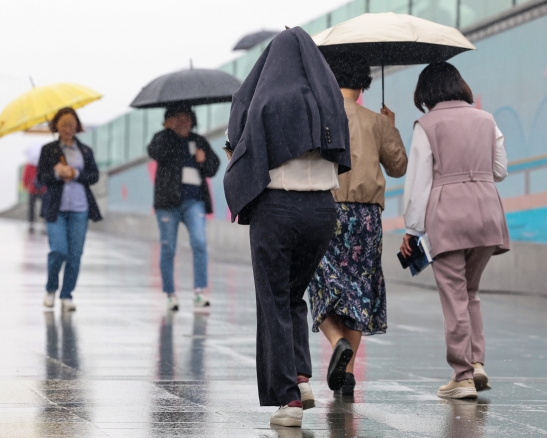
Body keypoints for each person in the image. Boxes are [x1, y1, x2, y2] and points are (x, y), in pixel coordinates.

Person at [224, 27, 351, 427]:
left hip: (277, 207)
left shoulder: (267, 98)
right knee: (294, 294)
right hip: (322, 210)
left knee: (274, 299)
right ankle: (300, 377)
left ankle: (288, 400)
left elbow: (242, 145)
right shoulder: (329, 98)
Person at [400, 62, 510, 399]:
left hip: (448, 218)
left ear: (426, 93)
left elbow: (418, 181)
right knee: (471, 292)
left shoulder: (427, 125)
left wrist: (412, 228)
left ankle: (462, 376)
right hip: (488, 214)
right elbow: (500, 170)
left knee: (454, 296)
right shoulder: (486, 119)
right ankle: (477, 363)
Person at [307, 56, 408, 396]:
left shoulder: (321, 119)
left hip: (326, 210)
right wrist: (389, 126)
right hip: (366, 218)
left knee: (319, 283)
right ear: (364, 84)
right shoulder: (375, 123)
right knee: (359, 290)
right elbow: (398, 167)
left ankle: (337, 342)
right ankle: (347, 372)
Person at [147, 104, 220, 311]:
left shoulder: (198, 141)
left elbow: (213, 167)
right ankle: (170, 294)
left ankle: (199, 291)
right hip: (167, 202)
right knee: (168, 246)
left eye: (186, 117)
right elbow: (154, 152)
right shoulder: (162, 139)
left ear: (192, 119)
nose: (182, 121)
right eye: (177, 117)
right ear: (169, 120)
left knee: (199, 242)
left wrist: (204, 160)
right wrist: (168, 133)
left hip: (193, 201)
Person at [38, 107, 102, 311]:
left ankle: (67, 294)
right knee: (58, 250)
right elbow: (41, 178)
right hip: (56, 208)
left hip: (79, 207)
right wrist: (57, 173)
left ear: (77, 126)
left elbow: (94, 176)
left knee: (75, 255)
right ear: (56, 125)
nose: (68, 128)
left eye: (71, 124)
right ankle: (51, 289)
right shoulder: (49, 150)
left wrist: (75, 173)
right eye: (64, 124)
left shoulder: (84, 151)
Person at [22, 162, 46, 234]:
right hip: (41, 190)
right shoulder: (44, 163)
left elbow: (25, 177)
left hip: (34, 189)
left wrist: (26, 186)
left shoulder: (29, 165)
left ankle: (31, 223)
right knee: (43, 207)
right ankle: (43, 223)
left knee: (32, 207)